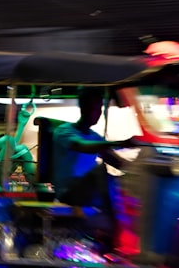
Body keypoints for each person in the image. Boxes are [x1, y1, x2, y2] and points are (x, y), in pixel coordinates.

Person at [51, 87, 137, 222]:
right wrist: (118, 143)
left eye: (100, 108)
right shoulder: (63, 131)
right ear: (83, 108)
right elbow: (82, 146)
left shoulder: (95, 137)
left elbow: (117, 162)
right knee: (100, 170)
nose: (99, 113)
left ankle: (125, 217)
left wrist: (137, 172)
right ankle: (112, 219)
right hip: (68, 193)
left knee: (115, 179)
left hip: (87, 193)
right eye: (96, 108)